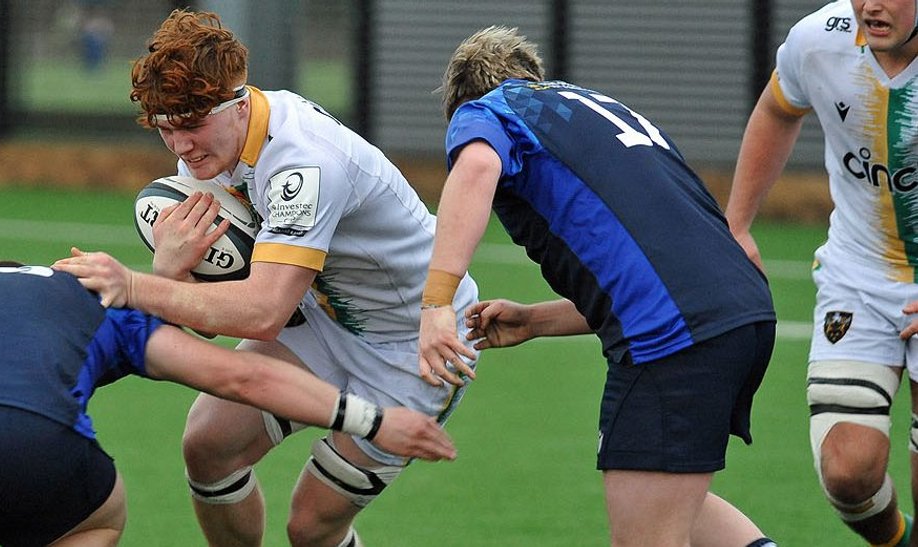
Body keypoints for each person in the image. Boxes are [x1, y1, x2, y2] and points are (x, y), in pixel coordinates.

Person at [52, 9, 482, 547]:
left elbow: (260, 313)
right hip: (325, 316)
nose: (180, 146)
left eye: (190, 124)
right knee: (208, 445)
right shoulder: (210, 152)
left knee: (311, 527)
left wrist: (138, 284)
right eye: (165, 128)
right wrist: (171, 268)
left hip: (414, 340)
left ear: (237, 101)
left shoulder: (302, 162)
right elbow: (213, 318)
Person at [0, 260, 456, 547]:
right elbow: (240, 379)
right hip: (29, 438)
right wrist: (371, 416)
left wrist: (165, 270)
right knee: (96, 518)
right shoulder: (109, 303)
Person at [418, 26, 778, 547]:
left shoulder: (488, 110)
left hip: (675, 340)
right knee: (668, 499)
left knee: (644, 532)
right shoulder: (600, 112)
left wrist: (437, 304)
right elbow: (652, 268)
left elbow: (476, 166)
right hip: (741, 314)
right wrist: (536, 320)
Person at [726, 1, 918, 545]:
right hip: (858, 274)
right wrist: (736, 223)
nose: (872, 5)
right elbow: (777, 109)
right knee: (847, 471)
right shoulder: (819, 40)